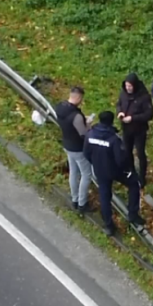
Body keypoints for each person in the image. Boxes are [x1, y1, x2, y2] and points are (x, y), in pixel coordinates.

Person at [83, 111, 145, 236]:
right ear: (111, 122)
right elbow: (121, 159)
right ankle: (132, 214)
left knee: (105, 197)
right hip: (115, 171)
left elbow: (86, 153)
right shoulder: (113, 138)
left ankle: (108, 225)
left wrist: (96, 163)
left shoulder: (90, 134)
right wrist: (127, 170)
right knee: (134, 184)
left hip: (100, 170)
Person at [55, 86, 93, 215]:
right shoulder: (76, 116)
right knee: (86, 174)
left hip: (67, 144)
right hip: (78, 148)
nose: (81, 101)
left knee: (73, 172)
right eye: (81, 99)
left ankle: (74, 198)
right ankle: (82, 203)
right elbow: (83, 133)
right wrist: (87, 123)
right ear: (78, 97)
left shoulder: (60, 107)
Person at [116, 73, 153, 185]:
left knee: (140, 153)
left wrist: (133, 118)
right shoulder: (123, 93)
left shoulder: (144, 96)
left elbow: (149, 114)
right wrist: (120, 112)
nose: (128, 88)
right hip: (126, 128)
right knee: (127, 151)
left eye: (130, 86)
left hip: (139, 129)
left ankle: (142, 177)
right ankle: (131, 172)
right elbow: (119, 104)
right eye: (127, 86)